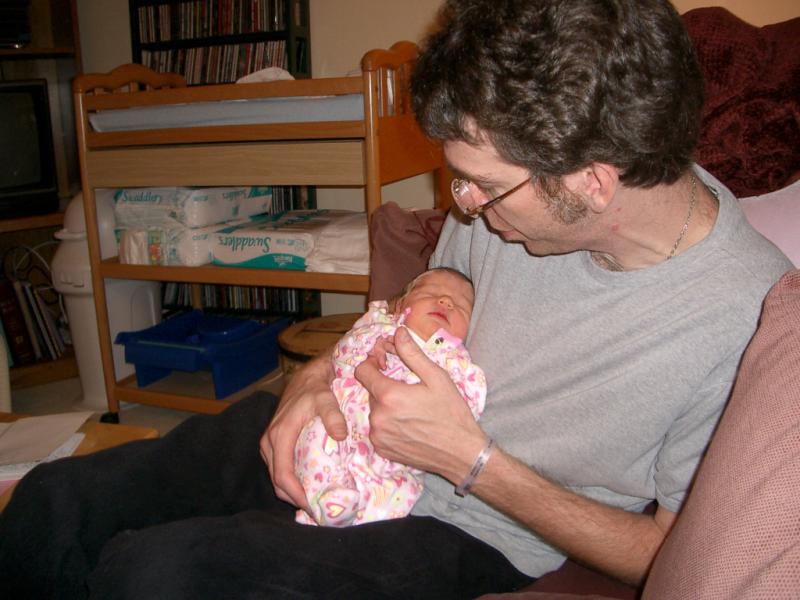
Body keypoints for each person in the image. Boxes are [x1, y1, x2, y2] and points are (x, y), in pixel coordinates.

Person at [0, 1, 792, 598]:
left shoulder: (749, 322)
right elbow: (409, 315)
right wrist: (312, 382)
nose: (462, 206)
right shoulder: (511, 195)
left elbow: (669, 553)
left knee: (155, 576)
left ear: (593, 182)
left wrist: (469, 461)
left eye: (481, 186)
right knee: (54, 502)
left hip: (469, 527)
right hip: (342, 429)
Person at [295, 267, 486, 526]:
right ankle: (326, 495)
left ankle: (357, 519)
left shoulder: (456, 362)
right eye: (430, 293)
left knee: (400, 489)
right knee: (315, 435)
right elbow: (341, 357)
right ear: (399, 306)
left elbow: (469, 402)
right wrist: (371, 344)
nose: (445, 301)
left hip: (396, 453)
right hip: (341, 423)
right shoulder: (377, 328)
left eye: (461, 307)